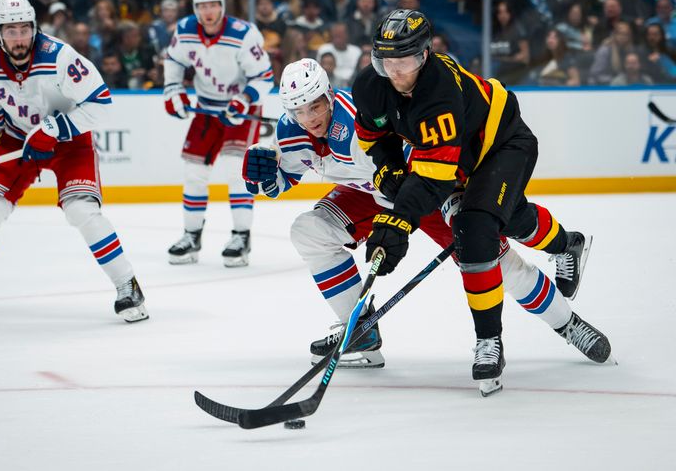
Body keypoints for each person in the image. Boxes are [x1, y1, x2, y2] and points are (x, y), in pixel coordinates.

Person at [243, 58, 612, 371]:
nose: (309, 118)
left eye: (316, 106)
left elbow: (425, 169)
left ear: (328, 95)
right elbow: (282, 180)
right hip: (370, 195)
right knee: (309, 231)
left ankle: (567, 324)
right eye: (299, 110)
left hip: (421, 190)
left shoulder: (355, 122)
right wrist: (259, 177)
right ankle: (360, 332)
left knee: (492, 261)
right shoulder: (290, 131)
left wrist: (444, 208)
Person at [352, 9, 596, 394]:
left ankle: (489, 341)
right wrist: (391, 171)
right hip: (451, 152)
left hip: (502, 144)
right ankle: (569, 244)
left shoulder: (439, 91)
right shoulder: (369, 86)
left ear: (426, 54)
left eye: (407, 61)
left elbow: (434, 179)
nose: (396, 73)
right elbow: (373, 138)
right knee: (511, 217)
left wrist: (399, 220)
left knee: (477, 227)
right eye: (387, 62)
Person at [0, 0, 148, 323]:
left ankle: (127, 285)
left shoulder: (60, 57)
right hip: (18, 140)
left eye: (24, 29)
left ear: (34, 29)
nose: (18, 38)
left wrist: (53, 129)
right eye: (10, 30)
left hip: (70, 141)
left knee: (81, 211)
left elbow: (101, 102)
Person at [163, 0, 274, 267]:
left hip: (239, 109)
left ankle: (241, 236)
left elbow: (264, 78)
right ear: (195, 8)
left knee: (236, 169)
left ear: (222, 6)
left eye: (213, 5)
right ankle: (191, 235)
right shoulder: (185, 30)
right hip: (206, 106)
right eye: (202, 5)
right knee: (194, 171)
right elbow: (173, 61)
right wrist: (173, 90)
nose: (208, 11)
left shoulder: (243, 34)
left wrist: (243, 101)